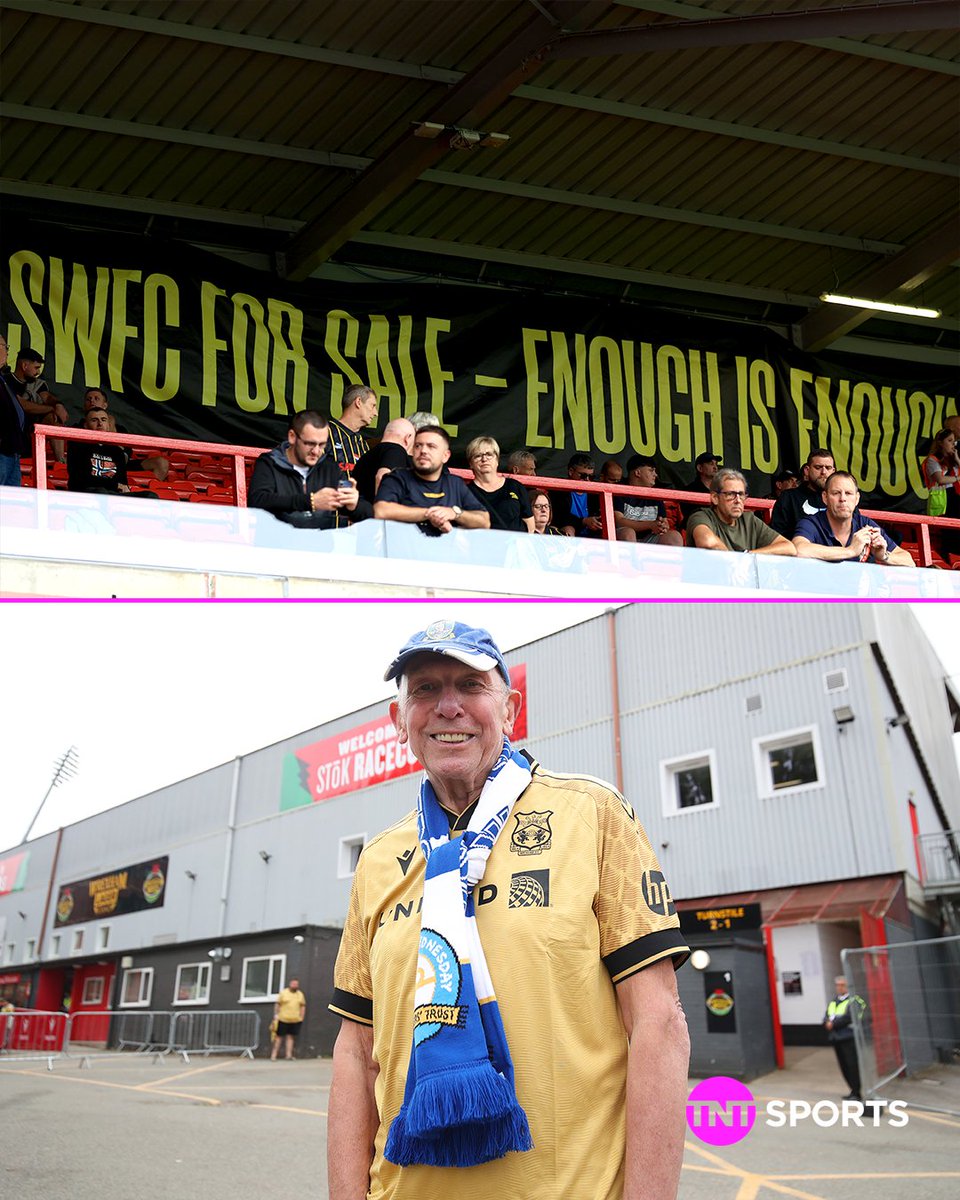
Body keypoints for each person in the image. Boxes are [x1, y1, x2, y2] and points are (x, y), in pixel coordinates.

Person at [327, 620, 690, 1200]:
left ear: (510, 708)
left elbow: (659, 1023)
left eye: (470, 685)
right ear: (400, 721)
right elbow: (354, 1052)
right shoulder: (377, 860)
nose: (448, 707)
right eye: (424, 689)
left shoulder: (590, 814)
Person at [248, 410, 371, 529]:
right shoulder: (270, 462)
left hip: (320, 547)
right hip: (279, 546)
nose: (316, 451)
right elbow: (257, 501)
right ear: (292, 437)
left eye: (322, 444)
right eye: (310, 444)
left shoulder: (329, 468)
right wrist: (310, 501)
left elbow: (366, 514)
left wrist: (354, 504)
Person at [374, 426, 490, 535]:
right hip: (403, 553)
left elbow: (484, 521)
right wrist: (430, 514)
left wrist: (455, 513)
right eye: (418, 445)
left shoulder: (455, 483)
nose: (423, 450)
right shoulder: (397, 477)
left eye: (431, 446)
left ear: (445, 456)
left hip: (443, 554)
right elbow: (381, 510)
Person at [793, 472, 912, 565]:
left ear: (857, 499)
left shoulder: (865, 524)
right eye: (836, 493)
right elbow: (799, 550)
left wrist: (884, 556)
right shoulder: (811, 523)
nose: (843, 498)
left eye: (848, 493)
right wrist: (850, 551)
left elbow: (908, 561)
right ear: (825, 497)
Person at [687, 468, 796, 555]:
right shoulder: (701, 516)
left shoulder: (749, 519)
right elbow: (708, 542)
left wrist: (749, 555)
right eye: (731, 494)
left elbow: (789, 548)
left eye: (741, 494)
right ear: (715, 498)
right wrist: (736, 563)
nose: (738, 500)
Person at [75, 387, 170, 482]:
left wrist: (111, 428)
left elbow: (126, 454)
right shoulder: (77, 427)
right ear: (84, 406)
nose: (92, 401)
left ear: (105, 405)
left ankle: (150, 491)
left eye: (96, 398)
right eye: (88, 399)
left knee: (161, 463)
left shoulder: (120, 429)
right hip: (93, 463)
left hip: (120, 463)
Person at [465, 436, 534, 532]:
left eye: (489, 454)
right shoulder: (465, 492)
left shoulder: (515, 487)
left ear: (497, 460)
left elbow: (530, 524)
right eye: (477, 456)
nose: (484, 459)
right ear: (470, 463)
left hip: (515, 546)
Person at [613, 455, 682, 546]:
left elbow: (664, 522)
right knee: (628, 533)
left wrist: (663, 526)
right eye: (651, 470)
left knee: (675, 537)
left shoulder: (655, 494)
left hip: (649, 538)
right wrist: (650, 525)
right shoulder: (619, 490)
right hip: (620, 537)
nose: (655, 474)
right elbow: (619, 522)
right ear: (637, 473)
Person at [770, 448, 835, 537]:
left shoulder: (842, 498)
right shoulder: (789, 497)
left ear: (833, 472)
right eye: (818, 467)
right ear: (807, 470)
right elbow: (778, 535)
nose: (824, 472)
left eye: (828, 468)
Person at [66, 408, 130, 494]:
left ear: (108, 425)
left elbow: (123, 482)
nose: (100, 424)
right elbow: (83, 479)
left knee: (149, 495)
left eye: (103, 420)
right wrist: (115, 485)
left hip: (114, 494)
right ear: (85, 425)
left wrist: (121, 488)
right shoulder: (77, 447)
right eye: (94, 420)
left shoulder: (117, 451)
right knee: (102, 492)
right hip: (86, 494)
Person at [353, 417, 415, 504]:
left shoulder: (366, 456)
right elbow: (382, 476)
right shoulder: (396, 450)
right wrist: (384, 510)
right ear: (407, 438)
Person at [823, 975, 866, 1101]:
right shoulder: (833, 1001)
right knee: (844, 1066)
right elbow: (827, 1015)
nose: (839, 987)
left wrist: (833, 1023)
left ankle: (857, 1092)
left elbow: (849, 1017)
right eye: (838, 985)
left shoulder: (855, 1000)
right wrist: (826, 1022)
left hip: (848, 1037)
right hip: (836, 1037)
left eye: (842, 985)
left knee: (852, 1065)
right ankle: (852, 1090)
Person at [551, 452, 602, 537]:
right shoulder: (558, 490)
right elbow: (559, 517)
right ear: (571, 472)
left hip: (591, 534)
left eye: (591, 477)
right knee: (568, 529)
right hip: (569, 534)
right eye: (583, 476)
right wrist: (584, 521)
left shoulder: (595, 493)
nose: (587, 480)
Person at [329, 384, 379, 471]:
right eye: (373, 406)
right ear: (358, 402)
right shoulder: (326, 432)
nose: (376, 413)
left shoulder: (363, 445)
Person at [0, 334, 27, 486]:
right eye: (5, 347)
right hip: (2, 451)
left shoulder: (3, 379)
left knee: (11, 504)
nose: (7, 352)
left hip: (12, 452)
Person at [921, 427, 960, 516]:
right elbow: (940, 479)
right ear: (940, 443)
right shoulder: (933, 460)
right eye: (949, 441)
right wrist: (958, 478)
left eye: (954, 442)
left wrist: (957, 459)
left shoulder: (954, 459)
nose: (953, 444)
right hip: (942, 501)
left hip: (956, 499)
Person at [679, 451, 721, 523]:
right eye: (711, 464)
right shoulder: (689, 491)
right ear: (700, 468)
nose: (715, 467)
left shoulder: (721, 490)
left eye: (716, 464)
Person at [271, 977, 306, 1062]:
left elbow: (303, 1006)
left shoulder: (300, 994)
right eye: (293, 984)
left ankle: (289, 1055)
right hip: (283, 1019)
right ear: (290, 984)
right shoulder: (284, 993)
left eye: (296, 984)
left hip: (295, 1020)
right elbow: (278, 1004)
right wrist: (276, 1015)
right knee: (278, 1037)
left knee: (290, 1037)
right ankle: (274, 1056)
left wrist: (301, 1017)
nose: (295, 985)